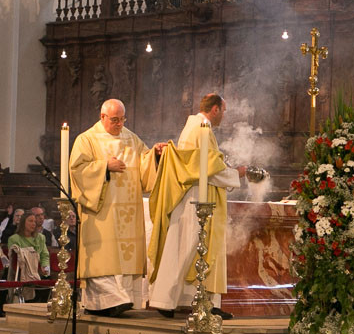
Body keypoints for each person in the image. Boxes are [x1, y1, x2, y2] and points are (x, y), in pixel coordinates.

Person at [149, 93, 245, 320]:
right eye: (224, 110)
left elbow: (207, 163)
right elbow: (208, 169)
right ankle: (166, 300)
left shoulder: (195, 127)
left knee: (200, 249)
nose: (224, 115)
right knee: (187, 248)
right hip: (196, 198)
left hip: (199, 195)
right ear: (215, 109)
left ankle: (202, 300)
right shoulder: (201, 128)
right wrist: (236, 173)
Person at [69, 98, 163, 317]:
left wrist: (155, 156)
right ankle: (104, 303)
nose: (119, 124)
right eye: (114, 120)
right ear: (102, 117)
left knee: (123, 258)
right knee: (103, 259)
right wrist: (104, 167)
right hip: (102, 213)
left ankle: (123, 300)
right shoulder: (87, 140)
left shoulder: (132, 139)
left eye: (122, 119)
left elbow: (145, 166)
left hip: (128, 213)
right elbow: (77, 170)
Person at [3, 213, 51, 301]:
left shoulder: (41, 237)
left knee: (49, 279)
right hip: (20, 271)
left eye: (35, 222)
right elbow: (14, 259)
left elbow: (44, 254)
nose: (33, 224)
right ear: (23, 223)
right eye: (30, 221)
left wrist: (44, 266)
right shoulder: (14, 239)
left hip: (38, 270)